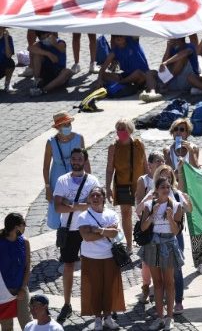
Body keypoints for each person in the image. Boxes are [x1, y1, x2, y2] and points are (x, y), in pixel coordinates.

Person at [53, 148, 100, 325]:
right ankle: (67, 303)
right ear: (71, 161)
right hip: (69, 229)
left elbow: (96, 204)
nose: (76, 161)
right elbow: (58, 207)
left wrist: (69, 203)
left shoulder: (93, 180)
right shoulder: (62, 180)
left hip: (88, 227)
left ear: (85, 161)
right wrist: (79, 206)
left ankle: (97, 303)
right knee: (68, 267)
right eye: (74, 159)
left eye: (79, 159)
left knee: (93, 266)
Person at [139, 177, 184, 331]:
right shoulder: (149, 205)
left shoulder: (177, 206)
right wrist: (153, 214)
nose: (166, 189)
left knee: (169, 282)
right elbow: (144, 227)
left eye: (168, 186)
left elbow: (176, 231)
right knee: (157, 283)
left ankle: (169, 317)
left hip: (169, 244)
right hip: (153, 245)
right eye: (162, 187)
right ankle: (159, 317)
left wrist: (170, 218)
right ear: (156, 189)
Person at [78, 187, 126, 330]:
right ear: (88, 199)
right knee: (95, 289)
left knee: (109, 288)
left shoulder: (111, 214)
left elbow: (115, 233)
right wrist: (106, 231)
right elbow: (86, 237)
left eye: (98, 195)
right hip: (90, 257)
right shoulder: (83, 217)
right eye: (92, 195)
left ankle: (108, 317)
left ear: (103, 198)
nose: (95, 198)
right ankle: (97, 319)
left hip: (109, 257)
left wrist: (98, 230)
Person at [163, 118, 202, 276]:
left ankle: (199, 261)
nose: (179, 133)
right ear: (172, 133)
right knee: (177, 225)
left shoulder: (193, 147)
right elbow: (168, 173)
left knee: (195, 226)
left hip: (192, 190)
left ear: (187, 133)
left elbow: (196, 169)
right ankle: (178, 256)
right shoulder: (168, 150)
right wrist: (178, 169)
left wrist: (192, 154)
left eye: (182, 130)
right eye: (177, 130)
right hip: (176, 190)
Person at [105, 119, 147, 253]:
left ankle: (146, 242)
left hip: (139, 183)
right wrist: (107, 188)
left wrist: (151, 183)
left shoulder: (138, 144)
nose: (120, 132)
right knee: (126, 213)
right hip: (122, 184)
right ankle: (129, 244)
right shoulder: (113, 147)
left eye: (123, 129)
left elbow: (145, 165)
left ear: (130, 130)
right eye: (118, 129)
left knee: (144, 213)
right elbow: (110, 169)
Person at [43, 112, 89, 231]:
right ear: (58, 127)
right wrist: (48, 187)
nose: (68, 126)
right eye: (64, 124)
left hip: (76, 174)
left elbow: (85, 161)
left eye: (69, 123)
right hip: (56, 175)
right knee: (58, 206)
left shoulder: (79, 138)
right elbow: (46, 167)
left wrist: (89, 180)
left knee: (76, 201)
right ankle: (61, 234)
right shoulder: (51, 142)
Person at [134, 152, 166, 304]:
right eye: (157, 161)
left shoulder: (167, 179)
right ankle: (146, 287)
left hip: (163, 226)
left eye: (163, 161)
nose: (161, 163)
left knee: (163, 259)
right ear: (150, 165)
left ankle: (158, 289)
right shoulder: (144, 180)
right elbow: (138, 206)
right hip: (148, 226)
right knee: (146, 261)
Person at [97, 35, 161, 99]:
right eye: (116, 37)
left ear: (125, 37)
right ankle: (124, 84)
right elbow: (102, 69)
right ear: (114, 40)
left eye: (121, 36)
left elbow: (134, 31)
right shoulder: (114, 52)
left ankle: (121, 83)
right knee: (104, 75)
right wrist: (99, 79)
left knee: (138, 73)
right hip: (128, 76)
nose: (119, 38)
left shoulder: (132, 42)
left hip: (141, 76)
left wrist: (121, 81)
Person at [0, 213, 30, 331]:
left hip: (20, 289)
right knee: (6, 326)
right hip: (3, 292)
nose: (25, 227)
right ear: (17, 227)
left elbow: (27, 267)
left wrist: (23, 287)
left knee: (27, 323)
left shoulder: (24, 242)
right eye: (24, 225)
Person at [28, 32, 73, 97]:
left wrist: (54, 44)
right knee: (36, 55)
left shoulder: (60, 43)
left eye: (48, 36)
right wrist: (48, 54)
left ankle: (42, 90)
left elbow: (61, 49)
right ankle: (37, 81)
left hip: (58, 74)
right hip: (45, 73)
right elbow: (30, 48)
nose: (46, 39)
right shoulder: (40, 44)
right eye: (43, 38)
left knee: (68, 72)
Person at [0, 27, 14, 92]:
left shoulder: (9, 38)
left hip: (2, 65)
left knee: (10, 63)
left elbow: (8, 56)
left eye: (2, 28)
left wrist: (6, 39)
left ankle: (7, 84)